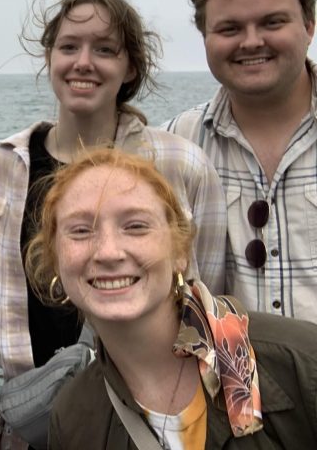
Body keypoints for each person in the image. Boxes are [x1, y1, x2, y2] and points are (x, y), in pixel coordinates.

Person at [0, 0, 226, 447]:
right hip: (33, 421)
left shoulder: (180, 164)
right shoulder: (1, 165)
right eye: (69, 47)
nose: (83, 62)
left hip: (151, 422)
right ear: (49, 57)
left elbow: (209, 291)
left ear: (129, 67)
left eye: (104, 49)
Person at [25, 148, 317, 449]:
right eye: (81, 231)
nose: (108, 252)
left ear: (179, 252)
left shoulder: (300, 363)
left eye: (136, 226)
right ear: (56, 260)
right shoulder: (75, 418)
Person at [164, 0, 317, 323]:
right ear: (205, 39)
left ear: (309, 26)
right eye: (230, 29)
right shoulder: (176, 144)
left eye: (272, 22)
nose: (251, 41)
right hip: (224, 381)